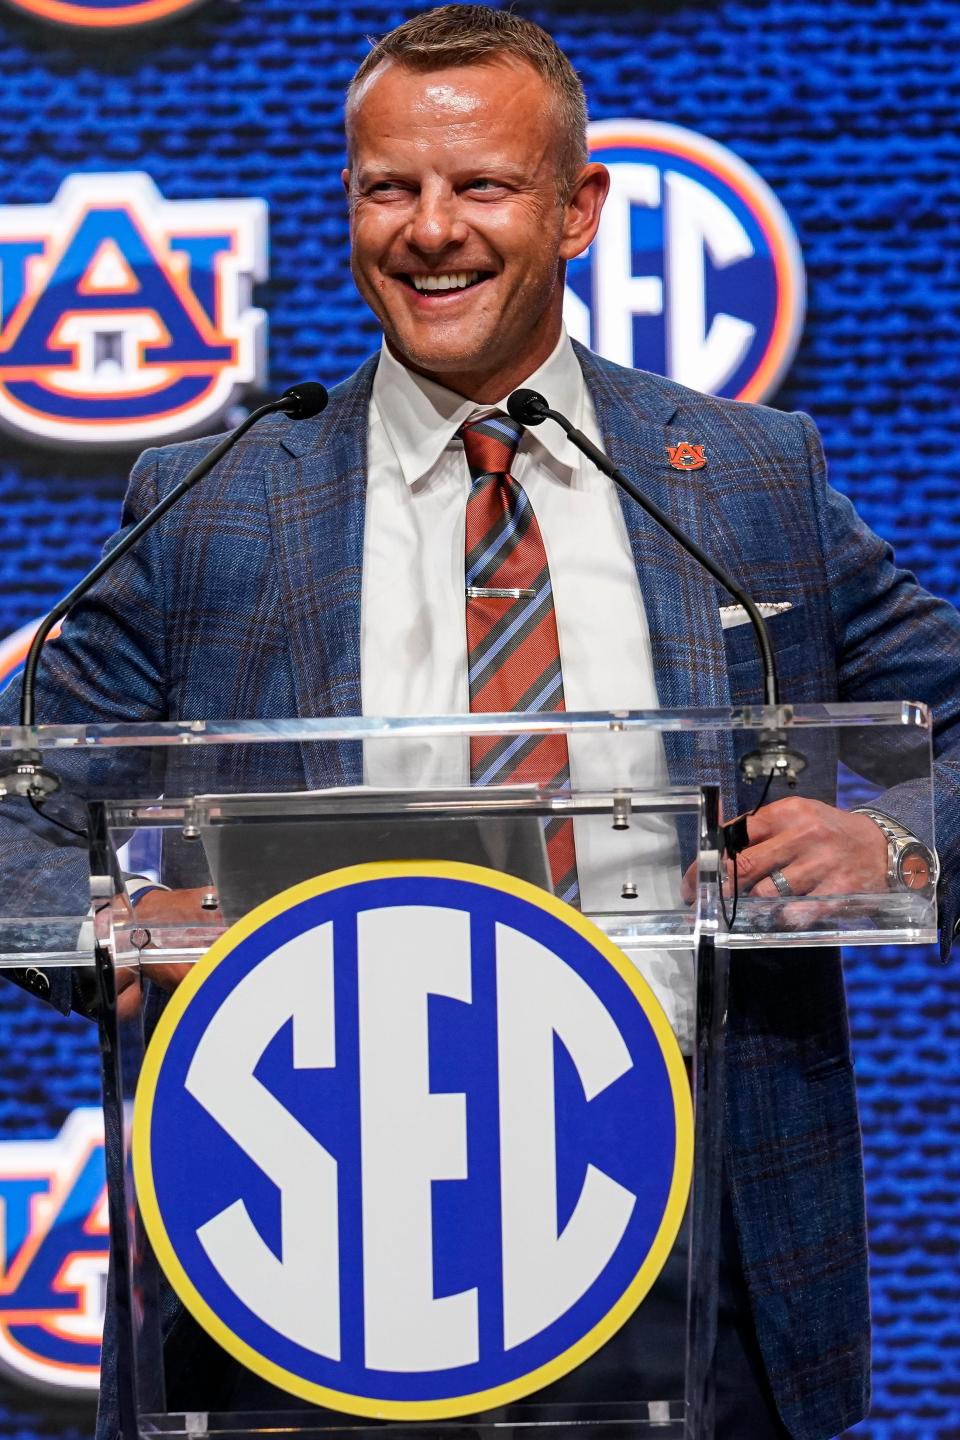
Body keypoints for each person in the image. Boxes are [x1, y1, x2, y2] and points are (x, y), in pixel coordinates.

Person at [2, 7, 958, 1439]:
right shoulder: (219, 498)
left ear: (578, 209)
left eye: (482, 187)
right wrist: (117, 932)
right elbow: (16, 802)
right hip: (315, 1227)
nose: (430, 230)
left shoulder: (746, 480)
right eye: (390, 187)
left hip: (695, 1229)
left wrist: (899, 839)